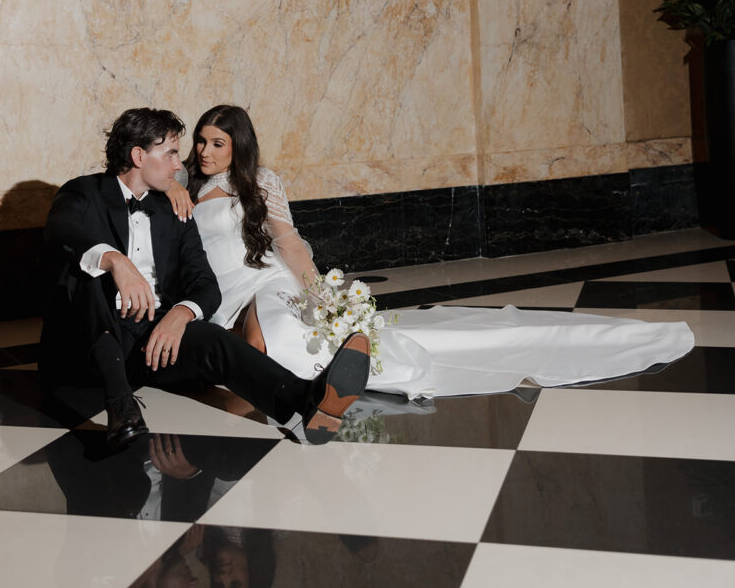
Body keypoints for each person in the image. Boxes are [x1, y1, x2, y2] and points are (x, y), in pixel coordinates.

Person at [167, 105, 696, 399]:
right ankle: (321, 377)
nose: (205, 151)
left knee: (274, 340)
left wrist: (318, 295)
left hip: (269, 281)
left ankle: (322, 388)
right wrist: (175, 185)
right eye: (201, 142)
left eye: (217, 143)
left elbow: (288, 243)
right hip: (223, 291)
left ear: (239, 145)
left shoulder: (262, 180)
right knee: (239, 353)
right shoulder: (186, 185)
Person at [41, 107, 370, 449]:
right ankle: (120, 405)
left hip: (150, 346)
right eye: (170, 153)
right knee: (87, 274)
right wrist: (114, 261)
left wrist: (180, 314)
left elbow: (205, 283)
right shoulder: (83, 193)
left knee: (213, 338)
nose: (179, 164)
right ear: (139, 156)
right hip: (90, 346)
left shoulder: (174, 213)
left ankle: (304, 398)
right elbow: (61, 231)